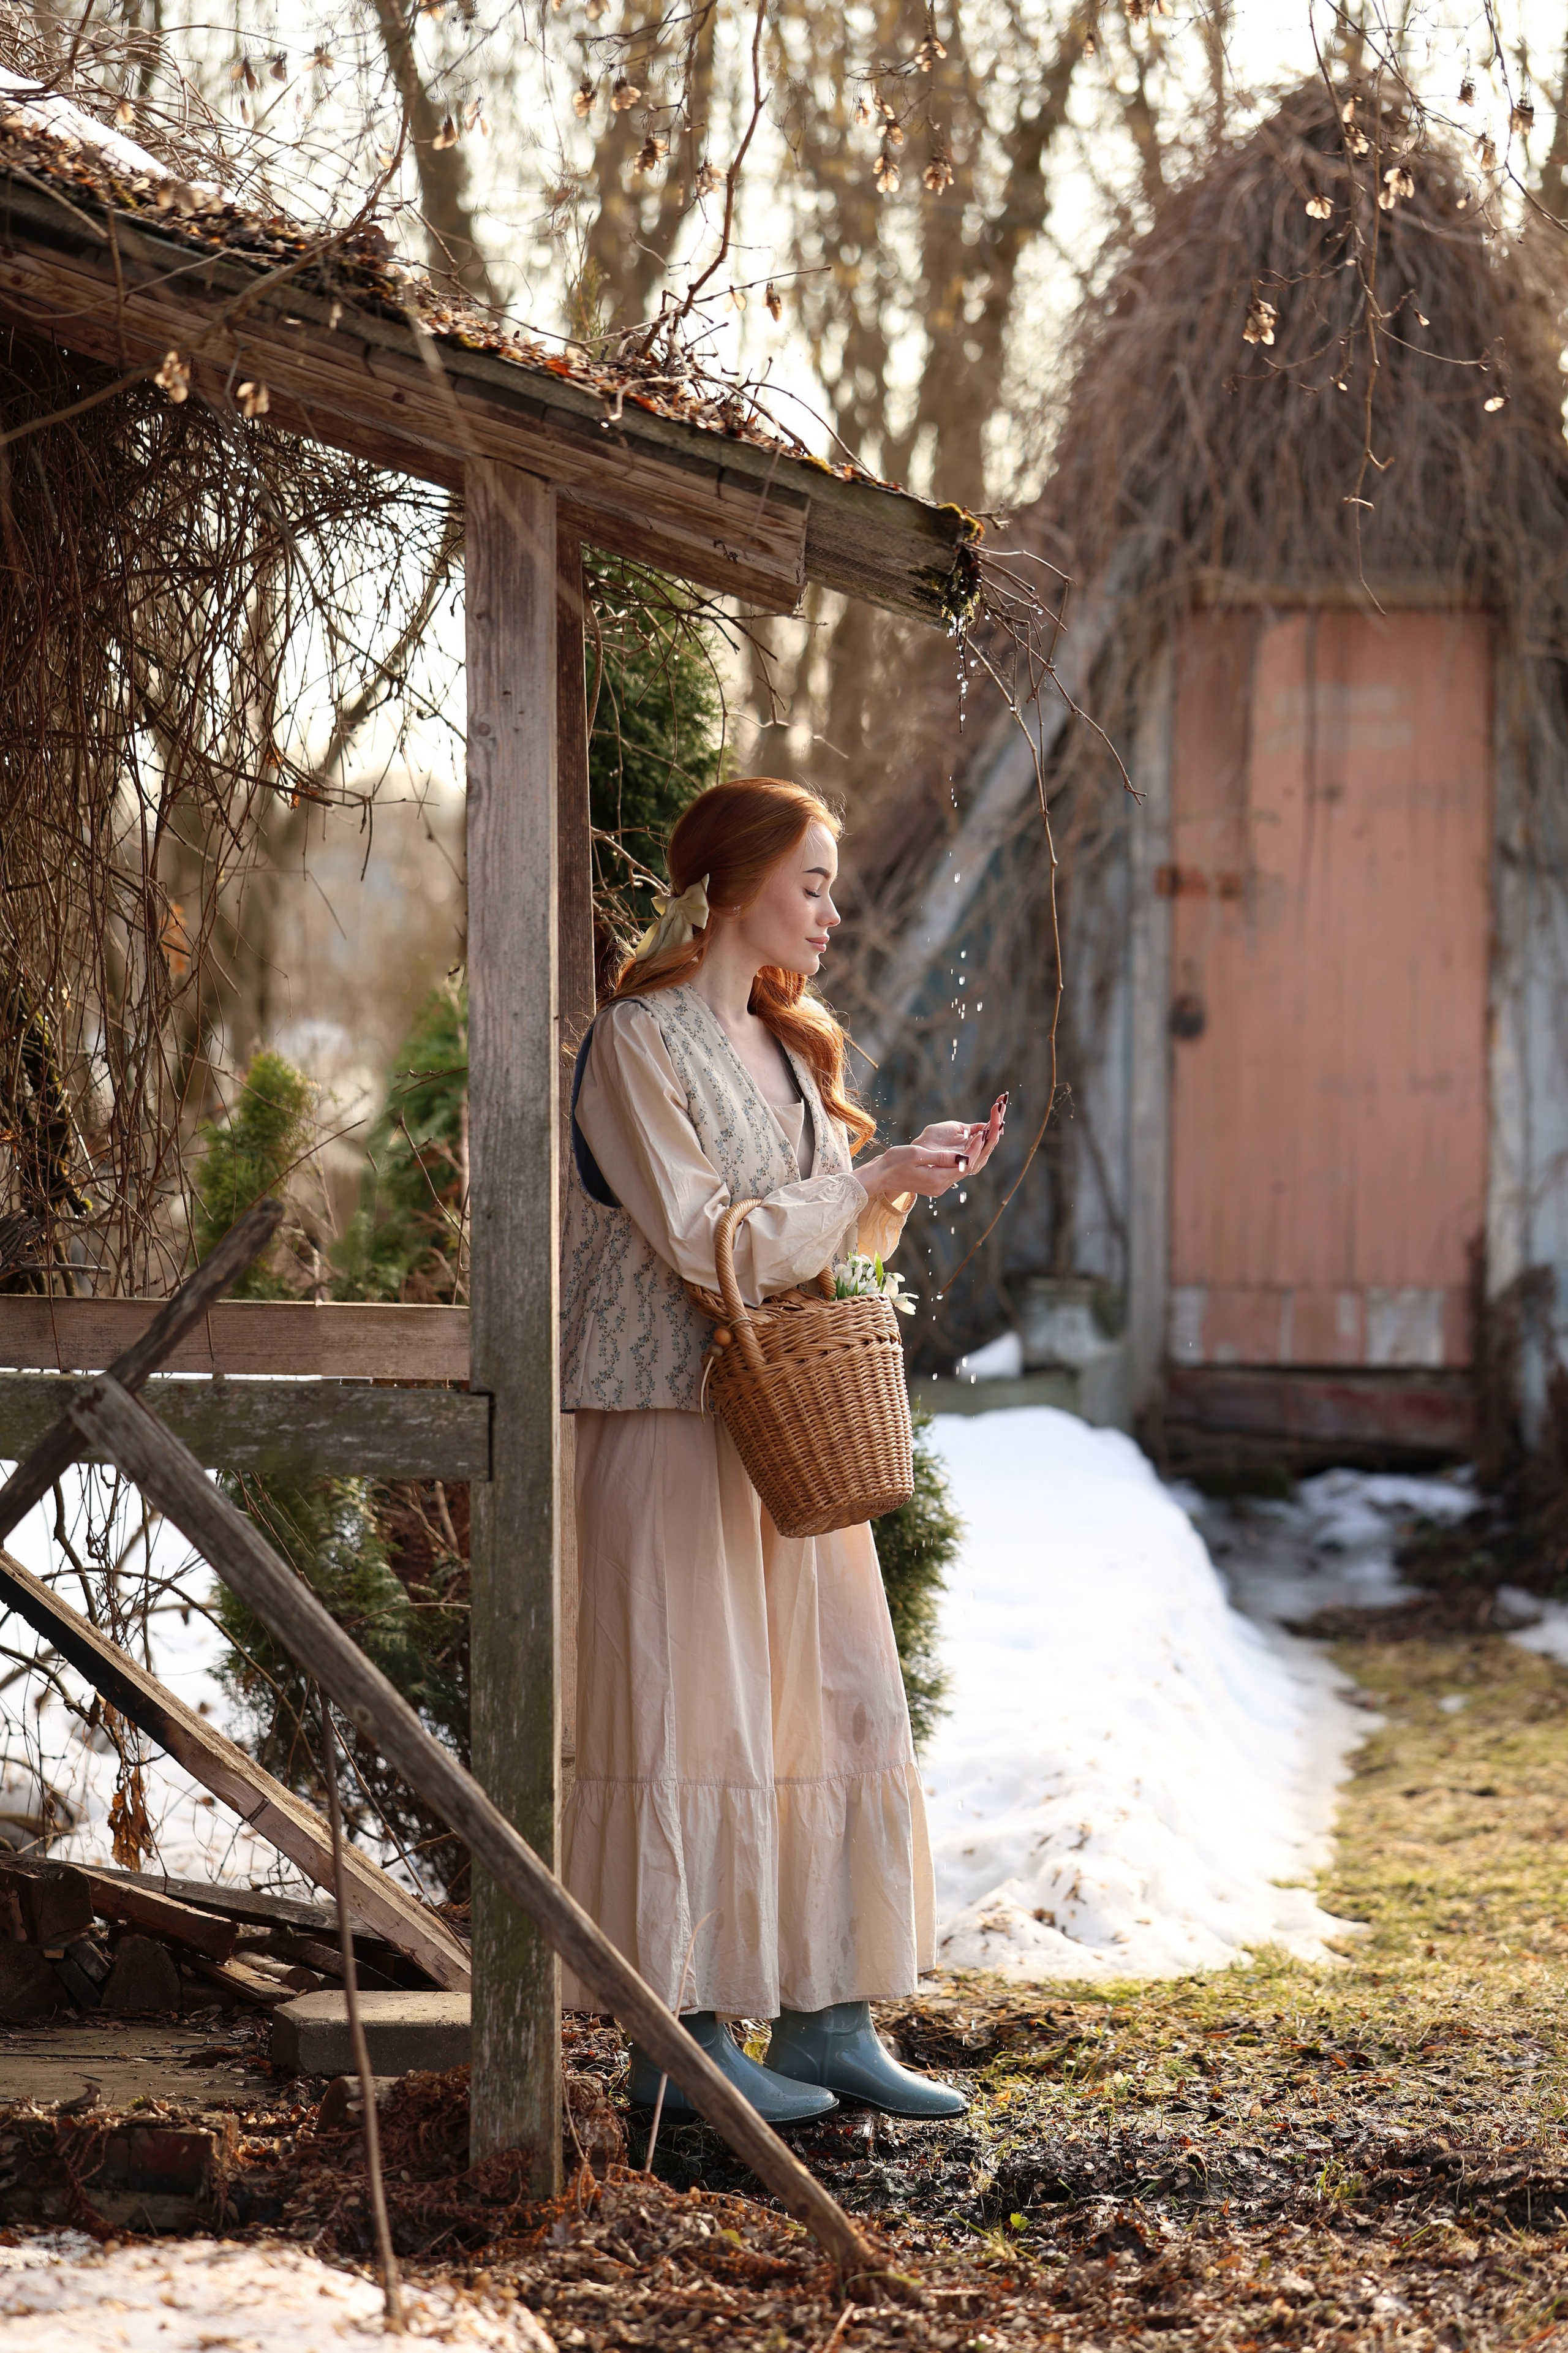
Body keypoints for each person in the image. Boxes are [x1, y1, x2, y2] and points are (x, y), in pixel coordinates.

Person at [560, 776, 1005, 2124]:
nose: (827, 909)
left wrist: (895, 1183)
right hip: (668, 1417)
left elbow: (816, 1246)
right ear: (735, 882)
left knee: (826, 1697)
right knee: (694, 1717)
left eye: (828, 884)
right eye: (808, 882)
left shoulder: (787, 1047)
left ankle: (823, 2022)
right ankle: (679, 2049)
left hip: (783, 1430)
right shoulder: (635, 1044)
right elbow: (709, 1245)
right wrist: (858, 1187)